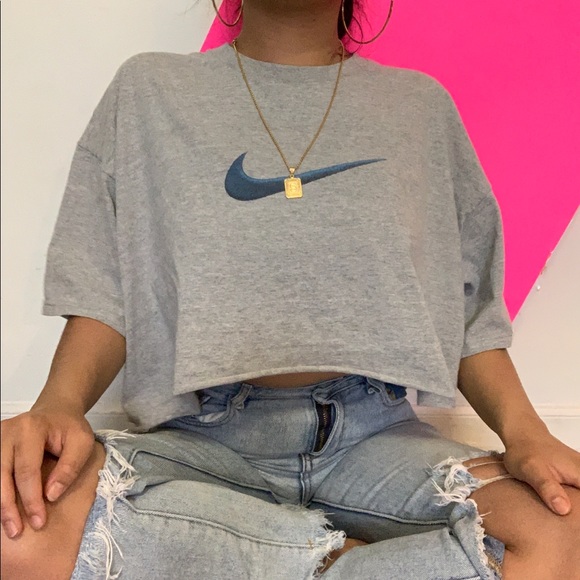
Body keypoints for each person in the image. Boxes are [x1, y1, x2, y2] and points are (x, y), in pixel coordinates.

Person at [2, 0, 579, 578]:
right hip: (202, 442)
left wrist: (527, 434)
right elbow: (105, 291)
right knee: (13, 515)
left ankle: (264, 557)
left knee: (566, 524)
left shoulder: (420, 108)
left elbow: (467, 310)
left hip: (374, 440)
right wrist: (59, 405)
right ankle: (346, 559)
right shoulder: (147, 92)